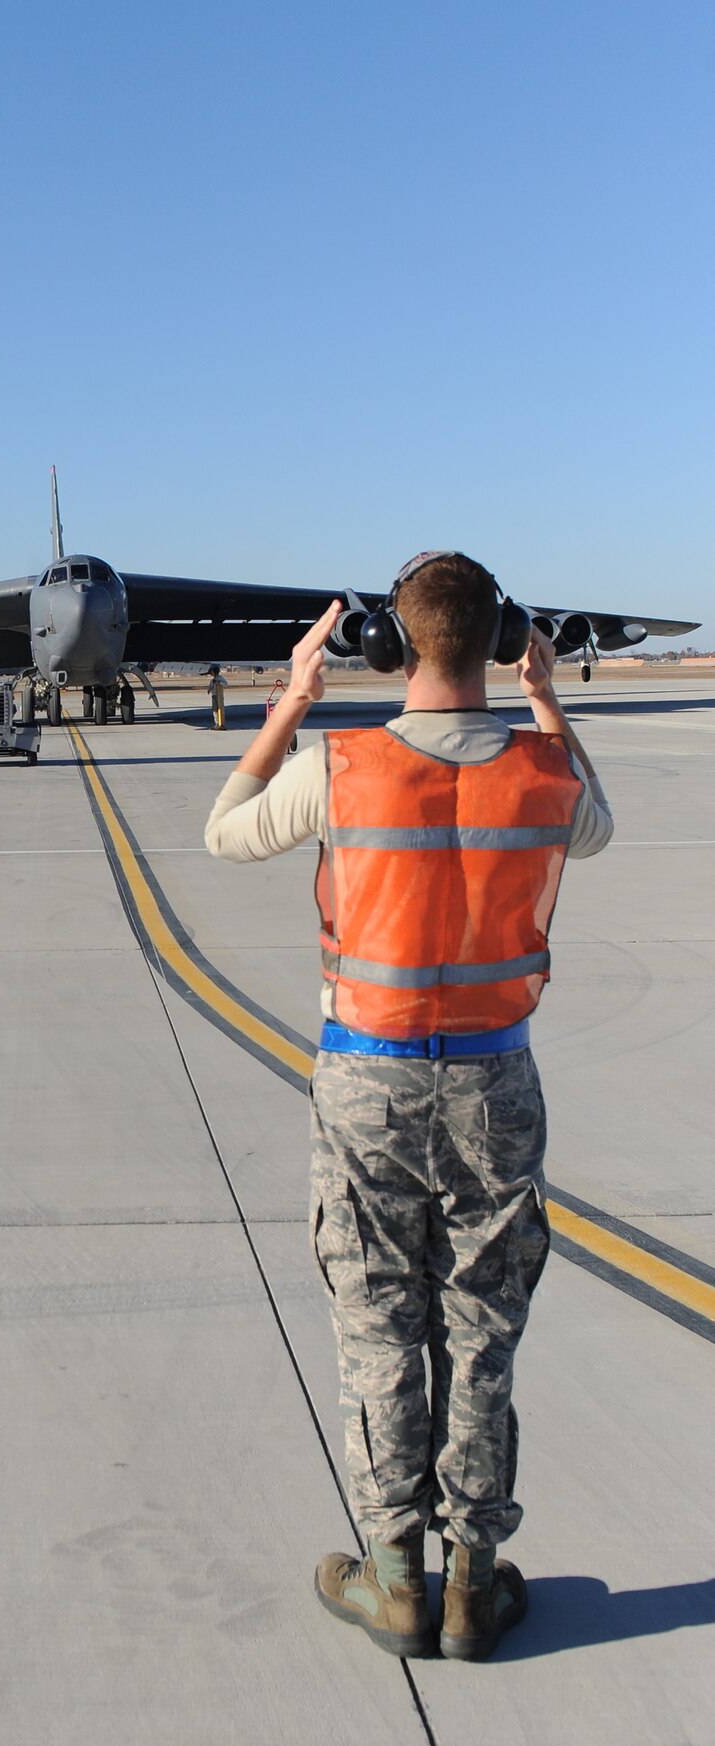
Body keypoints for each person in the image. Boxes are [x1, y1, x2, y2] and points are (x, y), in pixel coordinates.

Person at [205, 553, 613, 1661]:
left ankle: (394, 1579)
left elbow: (225, 827)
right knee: (479, 1325)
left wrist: (292, 698)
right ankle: (473, 1582)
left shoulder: (340, 766)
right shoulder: (545, 774)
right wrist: (541, 698)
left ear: (388, 644)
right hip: (494, 1078)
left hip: (365, 1077)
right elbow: (596, 827)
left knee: (377, 1320)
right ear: (500, 638)